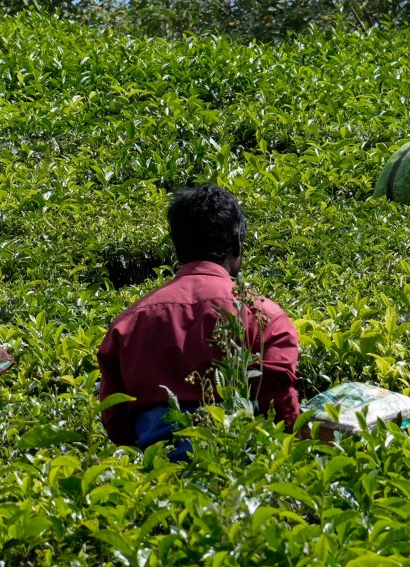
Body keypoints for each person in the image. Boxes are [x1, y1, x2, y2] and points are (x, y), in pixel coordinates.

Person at [95, 185, 301, 449]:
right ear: (237, 248)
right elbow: (279, 405)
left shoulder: (128, 323)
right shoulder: (264, 316)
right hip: (239, 471)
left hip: (156, 472)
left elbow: (116, 419)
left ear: (179, 250)